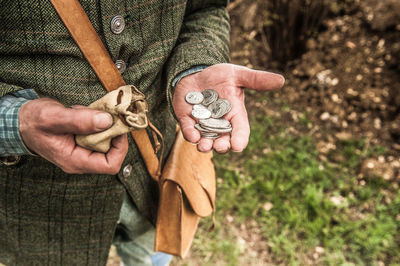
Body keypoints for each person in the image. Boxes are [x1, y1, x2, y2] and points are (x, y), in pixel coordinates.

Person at [0, 1, 284, 265]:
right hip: (35, 211)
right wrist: (15, 123)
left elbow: (205, 8)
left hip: (155, 180)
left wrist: (197, 65)